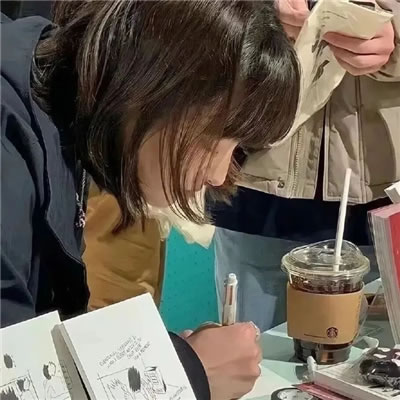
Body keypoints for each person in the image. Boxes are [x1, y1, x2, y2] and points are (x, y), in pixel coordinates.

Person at [0, 1, 300, 399]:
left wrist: (170, 360)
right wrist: (189, 372)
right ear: (159, 82)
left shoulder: (55, 107)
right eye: (218, 135)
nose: (217, 174)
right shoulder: (11, 144)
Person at [213, 0, 400, 332]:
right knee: (249, 354)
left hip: (383, 192)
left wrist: (396, 31)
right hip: (254, 178)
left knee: (378, 360)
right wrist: (257, 10)